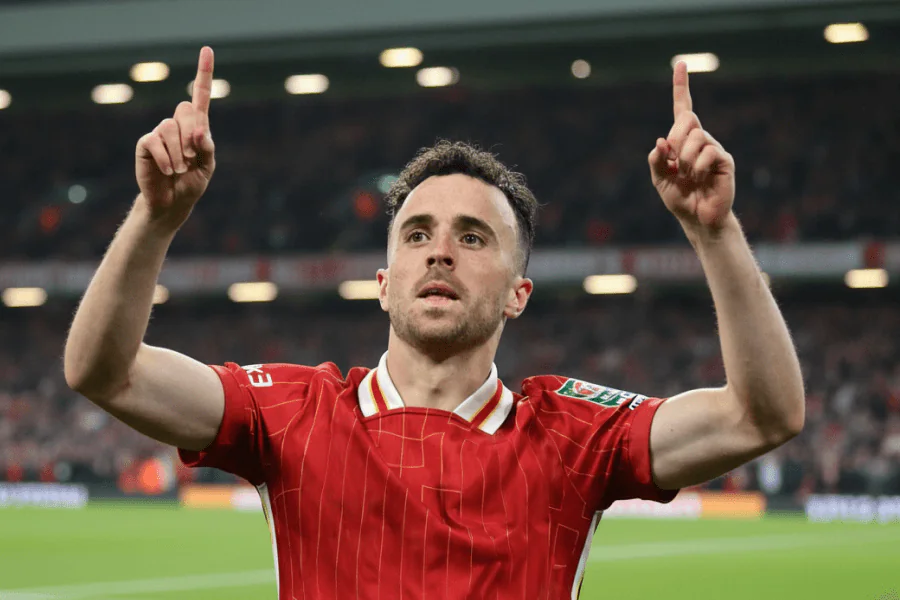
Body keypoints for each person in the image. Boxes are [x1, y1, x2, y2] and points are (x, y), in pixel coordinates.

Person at [63, 46, 805, 598]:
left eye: (472, 237)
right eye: (416, 234)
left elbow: (761, 416)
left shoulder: (572, 434)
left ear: (518, 293)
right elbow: (104, 370)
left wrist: (715, 232)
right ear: (385, 286)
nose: (440, 252)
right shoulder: (291, 412)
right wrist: (157, 220)